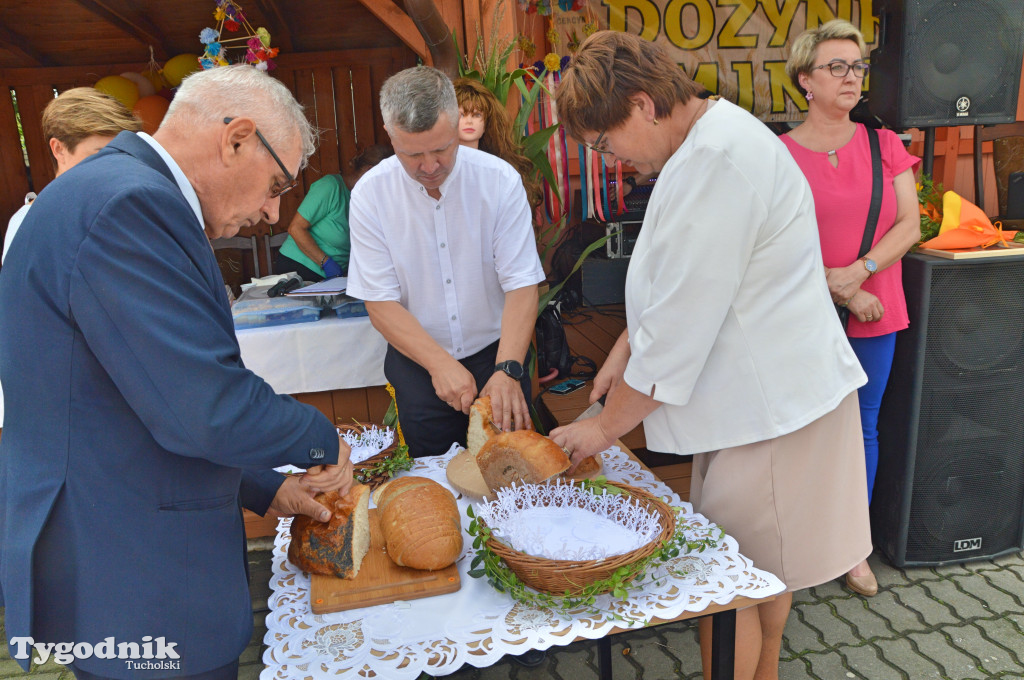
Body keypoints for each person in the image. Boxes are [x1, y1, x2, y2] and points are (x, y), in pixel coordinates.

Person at [0, 65, 355, 680]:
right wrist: (322, 439)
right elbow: (204, 406)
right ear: (236, 138)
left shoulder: (112, 189)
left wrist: (264, 485)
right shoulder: (130, 204)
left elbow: (136, 396)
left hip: (120, 558)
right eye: (277, 183)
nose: (273, 212)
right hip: (136, 578)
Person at [549, 31, 871, 680]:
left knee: (727, 589)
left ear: (642, 104)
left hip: (768, 411)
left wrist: (604, 428)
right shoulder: (707, 139)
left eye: (605, 143)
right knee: (757, 571)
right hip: (757, 403)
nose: (610, 160)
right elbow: (683, 283)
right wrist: (624, 342)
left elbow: (684, 320)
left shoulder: (717, 159)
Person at [781, 19, 921, 598]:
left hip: (876, 309)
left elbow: (910, 224)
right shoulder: (780, 154)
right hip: (804, 316)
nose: (851, 77)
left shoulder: (884, 144)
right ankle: (796, 539)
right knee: (803, 429)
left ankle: (852, 549)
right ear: (805, 80)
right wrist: (839, 290)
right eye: (836, 66)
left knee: (864, 426)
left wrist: (860, 273)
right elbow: (776, 245)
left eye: (857, 67)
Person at [347, 66, 545, 457]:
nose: (430, 166)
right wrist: (439, 364)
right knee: (433, 478)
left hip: (499, 354)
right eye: (413, 154)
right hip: (418, 362)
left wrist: (507, 370)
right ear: (390, 136)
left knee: (513, 472)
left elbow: (522, 283)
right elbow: (380, 303)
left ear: (458, 125)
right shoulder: (371, 194)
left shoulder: (499, 181)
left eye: (442, 148)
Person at [3, 87, 143, 264]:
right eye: (102, 154)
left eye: (125, 154)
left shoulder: (127, 208)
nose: (118, 166)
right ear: (59, 150)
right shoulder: (29, 224)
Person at [273, 144, 394, 281]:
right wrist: (326, 263)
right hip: (299, 269)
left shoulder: (367, 199)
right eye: (385, 178)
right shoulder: (330, 186)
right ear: (369, 171)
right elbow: (296, 228)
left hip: (335, 277)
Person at [453, 77, 543, 209]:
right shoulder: (438, 169)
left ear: (487, 122)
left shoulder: (501, 172)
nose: (469, 121)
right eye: (462, 115)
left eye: (476, 115)